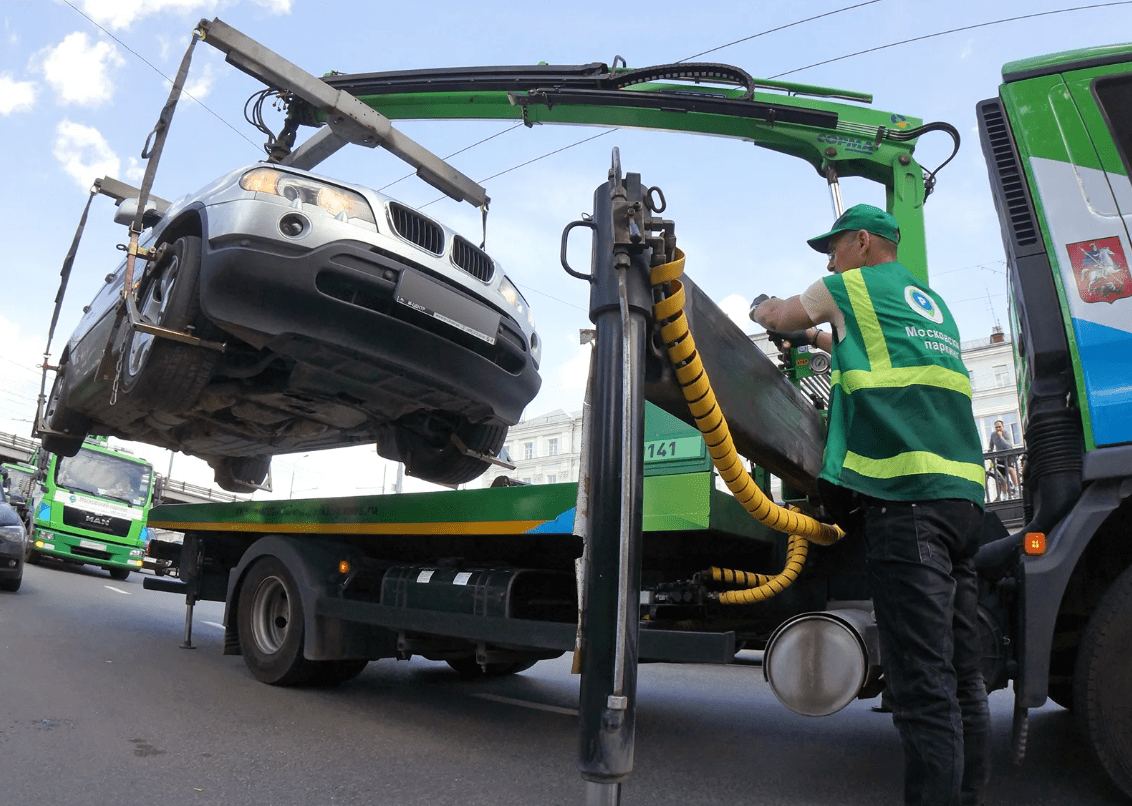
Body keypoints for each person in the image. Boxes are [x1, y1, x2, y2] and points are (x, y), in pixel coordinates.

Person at [750, 203, 989, 806]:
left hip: (906, 503)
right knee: (963, 678)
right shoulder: (927, 303)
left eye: (834, 247)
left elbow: (783, 313)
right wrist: (813, 339)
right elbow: (850, 342)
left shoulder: (845, 285)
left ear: (861, 242)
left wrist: (762, 310)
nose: (829, 260)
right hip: (962, 503)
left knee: (921, 685)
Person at [988, 419, 1020, 499]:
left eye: (999, 427)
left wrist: (1001, 437)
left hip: (1008, 456)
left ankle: (1017, 489)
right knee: (1002, 479)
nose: (998, 429)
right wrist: (990, 454)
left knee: (1011, 470)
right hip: (999, 458)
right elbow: (991, 446)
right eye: (996, 427)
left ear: (1003, 426)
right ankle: (1005, 496)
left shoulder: (1007, 434)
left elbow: (1008, 446)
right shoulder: (993, 435)